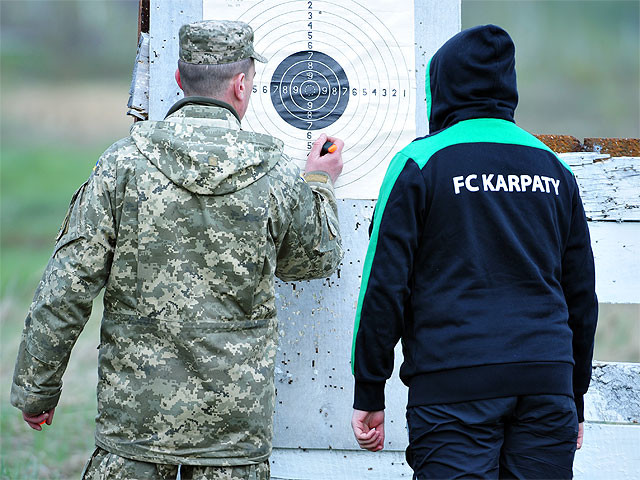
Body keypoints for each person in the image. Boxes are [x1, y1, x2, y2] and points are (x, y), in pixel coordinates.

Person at [11, 20, 344, 480]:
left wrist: (37, 390)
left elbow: (66, 287)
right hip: (232, 437)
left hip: (134, 428)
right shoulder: (278, 174)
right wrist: (319, 181)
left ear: (178, 79)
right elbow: (315, 259)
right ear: (241, 85)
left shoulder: (121, 164)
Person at [350, 24, 597, 479]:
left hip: (453, 385)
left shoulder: (420, 163)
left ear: (443, 85)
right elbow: (580, 294)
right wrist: (574, 393)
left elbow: (384, 285)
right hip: (547, 384)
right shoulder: (555, 168)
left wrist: (369, 388)